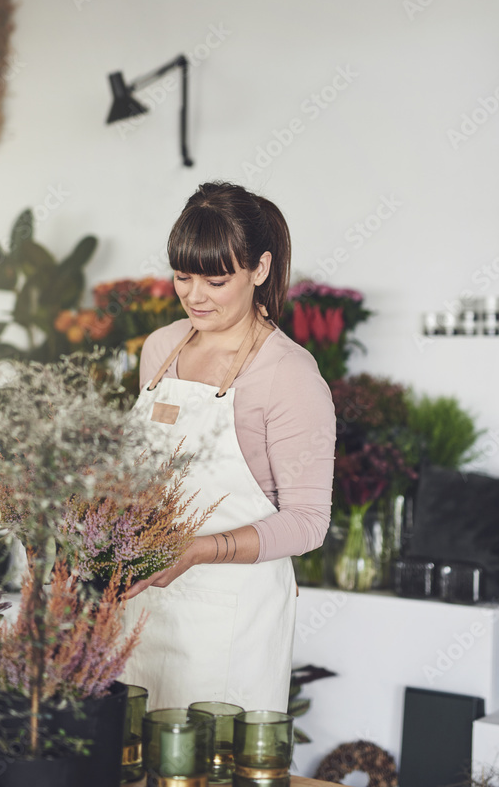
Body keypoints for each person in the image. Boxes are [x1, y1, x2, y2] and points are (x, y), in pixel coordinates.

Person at [121, 181, 336, 710]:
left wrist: (196, 551)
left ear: (259, 270)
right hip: (145, 605)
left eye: (216, 280)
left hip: (232, 622)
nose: (195, 295)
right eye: (182, 276)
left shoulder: (288, 374)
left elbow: (309, 522)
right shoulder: (161, 349)